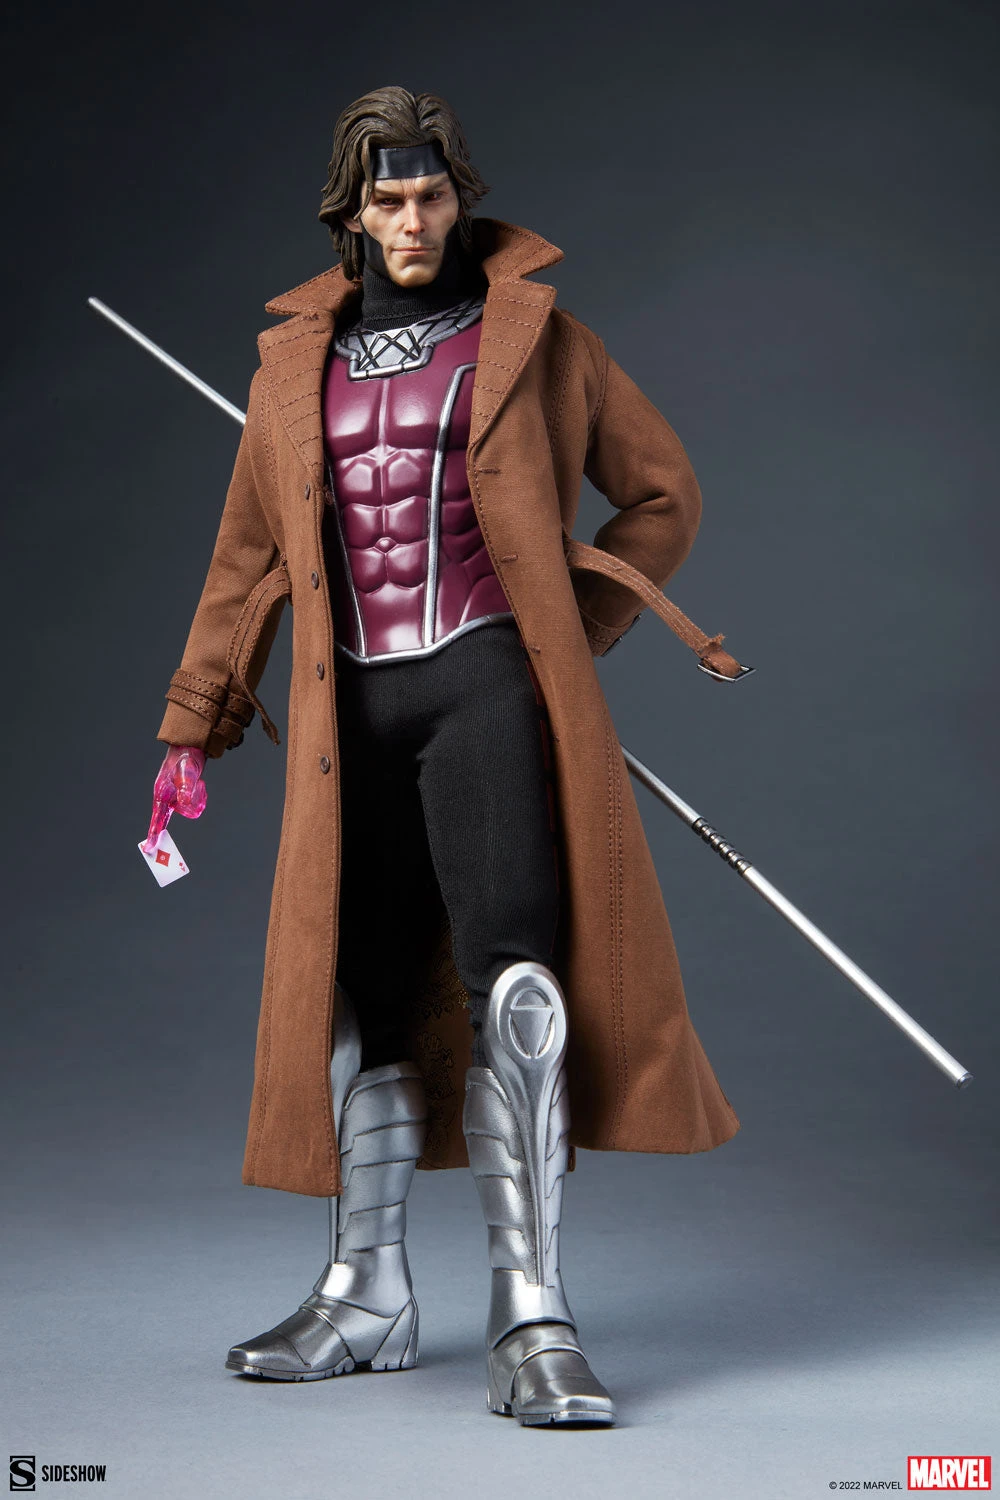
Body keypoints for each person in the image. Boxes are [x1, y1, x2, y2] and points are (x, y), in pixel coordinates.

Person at [148, 85, 741, 1428]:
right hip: (347, 708)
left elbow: (663, 494)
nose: (411, 221)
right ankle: (365, 1293)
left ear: (460, 195)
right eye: (387, 199)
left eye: (430, 194)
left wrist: (567, 634)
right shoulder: (290, 369)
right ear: (350, 212)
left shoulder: (538, 340)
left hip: (482, 683)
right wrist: (193, 725)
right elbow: (245, 560)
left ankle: (533, 1315)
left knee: (518, 985)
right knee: (355, 990)